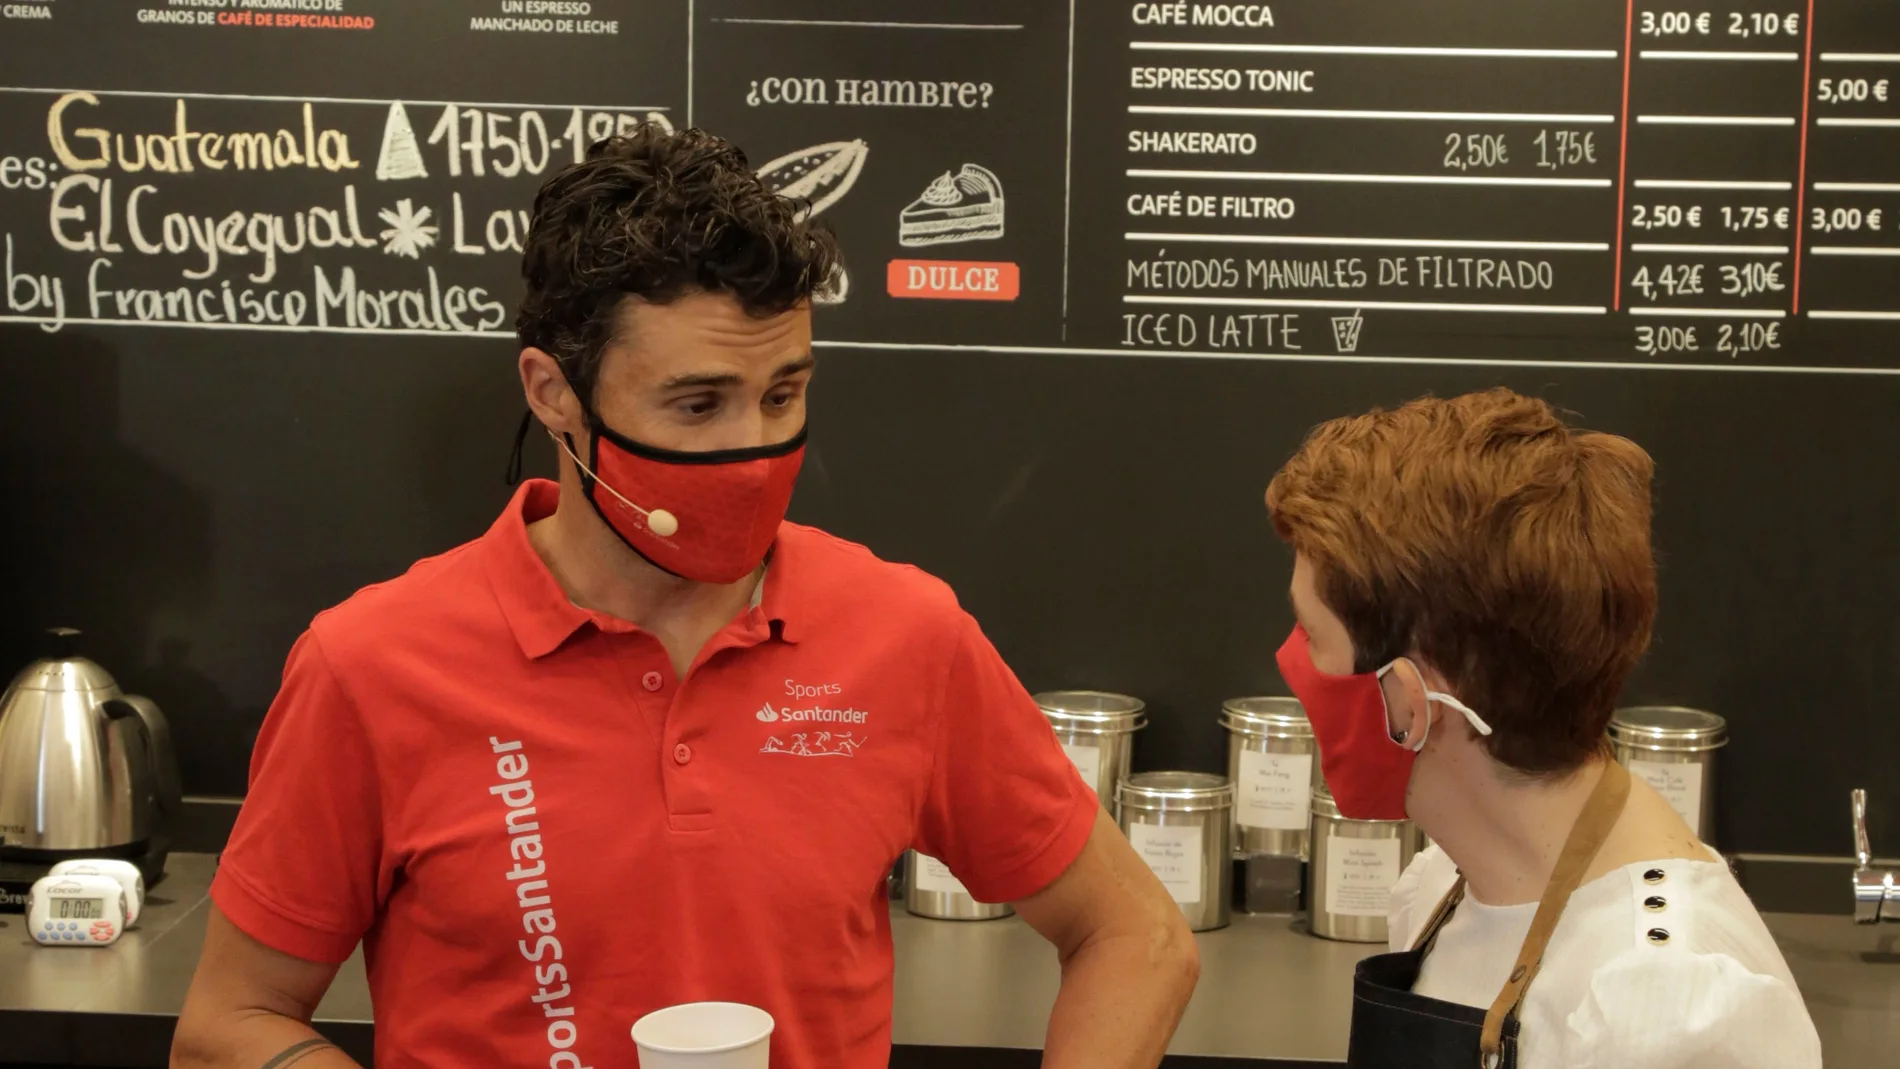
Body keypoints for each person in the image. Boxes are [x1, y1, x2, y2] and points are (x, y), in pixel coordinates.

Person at [170, 128, 1198, 1069]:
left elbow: (1135, 934)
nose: (752, 452)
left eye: (784, 393)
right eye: (697, 404)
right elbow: (229, 1022)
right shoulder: (372, 663)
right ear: (552, 394)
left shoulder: (903, 633)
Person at [1264, 388, 1821, 1069]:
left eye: (1311, 632)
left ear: (1409, 703)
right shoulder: (1452, 880)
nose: (1292, 661)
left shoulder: (1667, 1011)